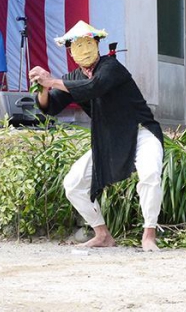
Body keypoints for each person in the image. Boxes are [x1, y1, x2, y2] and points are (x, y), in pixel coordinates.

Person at [28, 21, 164, 251]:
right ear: (70, 51)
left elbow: (94, 87)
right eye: (77, 45)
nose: (83, 48)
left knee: (150, 175)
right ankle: (102, 234)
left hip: (140, 131)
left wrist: (51, 81)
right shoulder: (71, 76)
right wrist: (42, 87)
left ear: (97, 44)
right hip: (109, 139)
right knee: (72, 184)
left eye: (87, 43)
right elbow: (50, 106)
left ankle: (149, 235)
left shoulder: (111, 66)